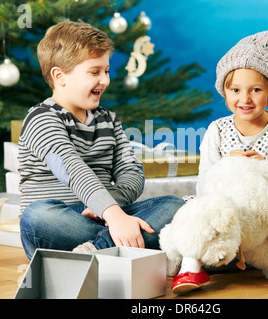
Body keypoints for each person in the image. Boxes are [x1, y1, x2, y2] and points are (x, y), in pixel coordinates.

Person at [171, 28, 268, 297]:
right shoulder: (217, 130)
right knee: (198, 211)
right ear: (225, 92)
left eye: (255, 89)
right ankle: (191, 269)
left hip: (266, 213)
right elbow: (204, 182)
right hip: (227, 211)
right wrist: (227, 166)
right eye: (235, 90)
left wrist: (264, 168)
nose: (245, 99)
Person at [18, 21, 185, 260]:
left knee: (174, 206)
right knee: (37, 216)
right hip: (63, 219)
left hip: (108, 214)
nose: (105, 80)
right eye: (94, 72)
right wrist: (115, 217)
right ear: (60, 76)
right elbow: (70, 168)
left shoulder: (108, 119)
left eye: (106, 71)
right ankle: (130, 249)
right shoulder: (41, 119)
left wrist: (109, 208)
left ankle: (96, 251)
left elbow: (131, 171)